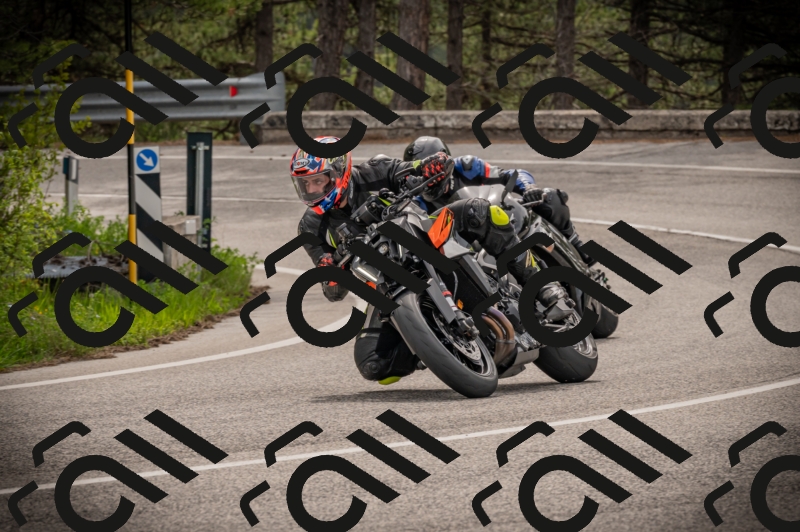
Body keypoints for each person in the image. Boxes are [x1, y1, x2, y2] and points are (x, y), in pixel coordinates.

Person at [291, 136, 568, 385]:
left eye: (319, 180)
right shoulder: (310, 227)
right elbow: (331, 288)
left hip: (424, 236)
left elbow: (410, 169)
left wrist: (430, 165)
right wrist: (330, 273)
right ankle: (436, 343)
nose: (312, 189)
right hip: (386, 284)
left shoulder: (374, 171)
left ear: (339, 172)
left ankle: (545, 288)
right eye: (306, 184)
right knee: (373, 364)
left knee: (481, 211)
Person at [402, 136, 596, 266]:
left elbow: (510, 174)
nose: (430, 176)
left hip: (502, 216)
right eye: (422, 172)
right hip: (471, 246)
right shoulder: (416, 201)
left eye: (435, 168)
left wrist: (528, 188)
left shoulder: (467, 166)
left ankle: (577, 245)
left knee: (550, 197)